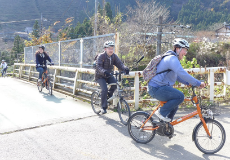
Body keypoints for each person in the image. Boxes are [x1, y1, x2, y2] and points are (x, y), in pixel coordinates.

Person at [148, 38, 205, 122]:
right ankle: (161, 112)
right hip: (156, 88)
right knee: (180, 96)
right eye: (184, 50)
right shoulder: (172, 59)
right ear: (178, 49)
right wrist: (197, 83)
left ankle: (165, 127)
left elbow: (178, 76)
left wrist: (187, 82)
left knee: (174, 105)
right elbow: (182, 73)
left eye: (186, 50)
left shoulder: (173, 58)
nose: (185, 53)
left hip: (158, 88)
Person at [95, 41, 129, 114]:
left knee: (115, 84)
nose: (111, 50)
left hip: (109, 75)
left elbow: (120, 64)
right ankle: (103, 107)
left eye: (112, 48)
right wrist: (104, 72)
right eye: (109, 48)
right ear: (105, 49)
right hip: (100, 76)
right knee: (104, 89)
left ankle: (108, 96)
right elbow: (98, 67)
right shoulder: (101, 56)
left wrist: (125, 68)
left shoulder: (114, 56)